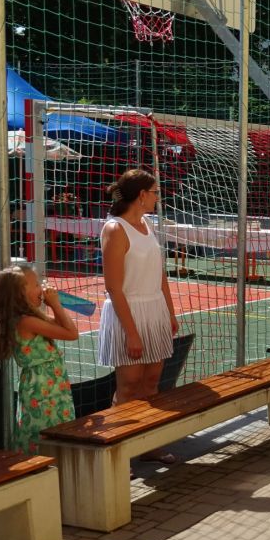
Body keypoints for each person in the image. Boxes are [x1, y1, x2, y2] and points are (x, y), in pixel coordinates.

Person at [97, 169, 180, 464]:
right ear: (142, 195)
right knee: (129, 385)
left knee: (152, 382)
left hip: (154, 310)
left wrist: (170, 313)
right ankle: (120, 455)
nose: (158, 197)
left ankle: (149, 443)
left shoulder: (147, 224)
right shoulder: (114, 229)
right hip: (128, 313)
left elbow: (160, 275)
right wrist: (131, 332)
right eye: (155, 192)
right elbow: (113, 287)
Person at [0, 263, 78, 454]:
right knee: (45, 436)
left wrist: (54, 305)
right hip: (43, 390)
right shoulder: (27, 322)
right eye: (36, 284)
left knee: (57, 433)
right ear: (20, 293)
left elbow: (62, 326)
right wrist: (56, 305)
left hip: (52, 386)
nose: (41, 288)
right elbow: (71, 333)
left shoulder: (29, 318)